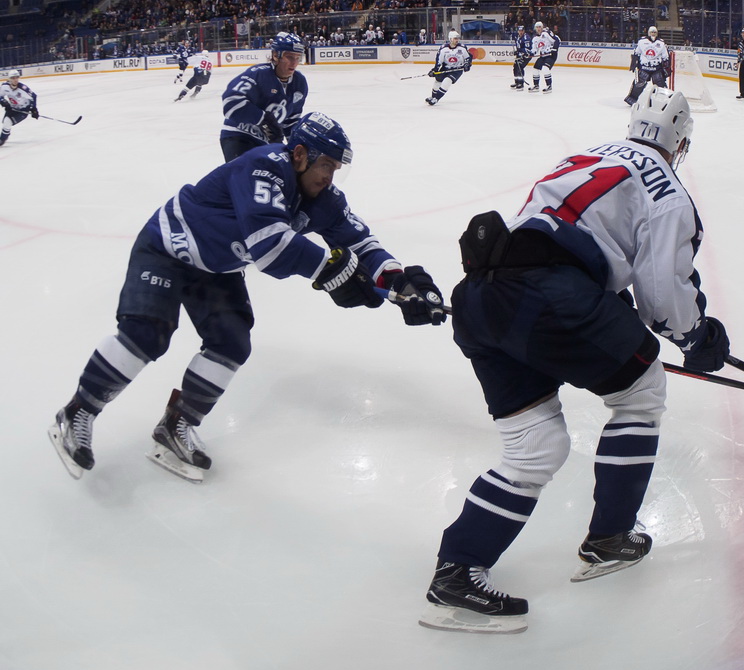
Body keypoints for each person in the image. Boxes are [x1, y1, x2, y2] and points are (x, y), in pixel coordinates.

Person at [418, 84, 730, 634]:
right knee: (642, 390)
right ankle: (611, 537)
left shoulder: (587, 155)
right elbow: (662, 297)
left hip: (481, 298)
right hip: (550, 300)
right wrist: (695, 332)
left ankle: (456, 572)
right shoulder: (668, 190)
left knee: (536, 445)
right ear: (680, 142)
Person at [47, 112, 447, 484]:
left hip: (215, 267)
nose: (330, 176)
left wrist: (401, 283)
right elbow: (270, 247)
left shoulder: (324, 198)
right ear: (300, 154)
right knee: (146, 334)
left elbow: (361, 242)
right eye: (326, 165)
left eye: (335, 169)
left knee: (231, 343)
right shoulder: (265, 165)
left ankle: (177, 424)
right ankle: (77, 412)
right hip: (166, 248)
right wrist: (332, 270)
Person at [220, 32, 308, 162]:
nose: (294, 63)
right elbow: (230, 102)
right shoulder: (258, 74)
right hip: (239, 135)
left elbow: (291, 121)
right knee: (249, 178)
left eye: (298, 57)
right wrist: (263, 119)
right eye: (289, 57)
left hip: (266, 143)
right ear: (275, 55)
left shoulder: (299, 83)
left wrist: (295, 149)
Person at [624, 25, 670, 105]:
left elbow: (665, 57)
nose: (653, 34)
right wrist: (633, 64)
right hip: (644, 67)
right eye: (652, 32)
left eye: (655, 32)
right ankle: (632, 99)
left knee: (660, 84)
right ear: (648, 33)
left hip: (656, 68)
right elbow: (637, 53)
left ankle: (662, 101)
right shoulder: (642, 42)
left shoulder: (661, 43)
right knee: (639, 84)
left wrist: (666, 68)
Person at [425, 30, 472, 106]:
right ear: (450, 39)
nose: (457, 40)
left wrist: (467, 65)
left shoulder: (462, 48)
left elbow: (468, 57)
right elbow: (439, 61)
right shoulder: (443, 49)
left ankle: (436, 99)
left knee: (447, 81)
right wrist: (434, 70)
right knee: (437, 81)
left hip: (457, 70)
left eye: (457, 38)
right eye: (455, 38)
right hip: (445, 68)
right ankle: (433, 96)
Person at [0, 69, 39, 147]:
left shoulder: (23, 88)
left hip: (23, 110)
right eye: (13, 78)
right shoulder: (4, 87)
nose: (15, 80)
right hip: (12, 108)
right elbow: (0, 96)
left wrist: (34, 109)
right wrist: (3, 101)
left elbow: (33, 96)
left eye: (17, 77)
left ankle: (2, 139)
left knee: (8, 122)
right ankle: (4, 136)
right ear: (9, 79)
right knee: (5, 123)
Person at [528, 21, 560, 92]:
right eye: (537, 27)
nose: (538, 28)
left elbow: (557, 39)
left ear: (542, 27)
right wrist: (531, 53)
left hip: (551, 55)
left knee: (545, 69)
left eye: (540, 27)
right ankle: (536, 86)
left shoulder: (546, 33)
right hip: (543, 56)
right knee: (535, 69)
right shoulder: (535, 38)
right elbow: (534, 49)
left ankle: (549, 86)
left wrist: (554, 49)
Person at [510, 25, 533, 90]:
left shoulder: (526, 38)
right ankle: (517, 82)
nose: (520, 32)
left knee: (520, 66)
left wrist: (519, 51)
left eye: (521, 31)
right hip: (520, 55)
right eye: (519, 31)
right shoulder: (518, 37)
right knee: (515, 67)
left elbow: (527, 49)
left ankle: (521, 83)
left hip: (526, 56)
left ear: (524, 31)